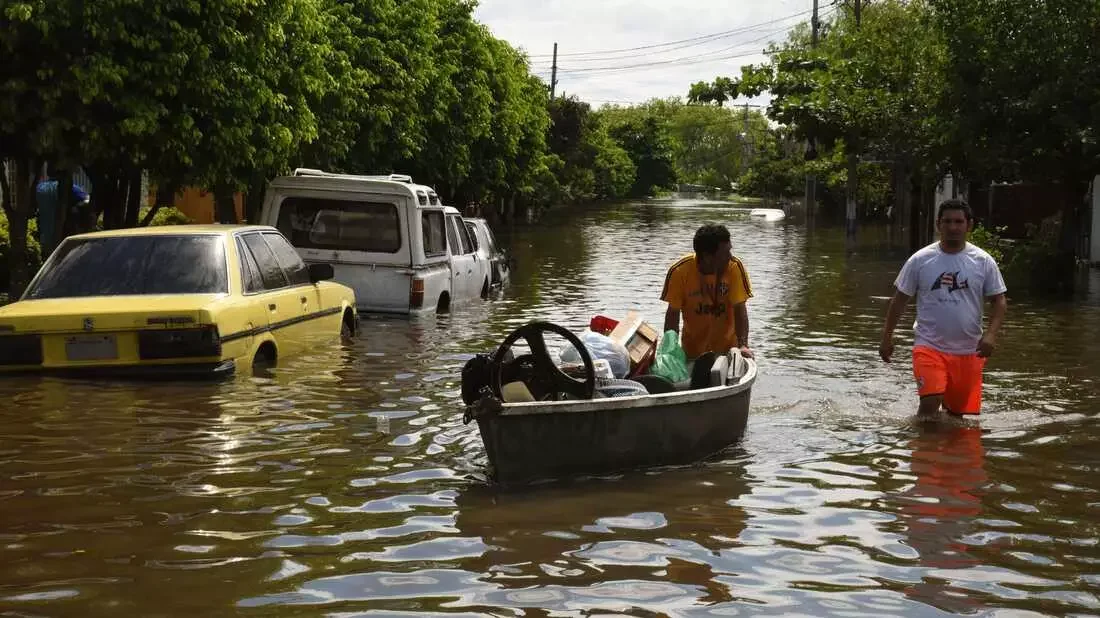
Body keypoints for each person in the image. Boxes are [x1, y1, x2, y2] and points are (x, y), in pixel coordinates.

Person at [879, 199, 1008, 417]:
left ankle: (944, 449)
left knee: (958, 418)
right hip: (928, 345)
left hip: (969, 350)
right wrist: (886, 337)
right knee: (930, 403)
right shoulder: (920, 260)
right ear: (938, 225)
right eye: (947, 222)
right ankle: (922, 447)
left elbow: (1000, 301)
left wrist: (991, 335)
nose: (953, 227)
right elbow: (899, 300)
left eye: (958, 222)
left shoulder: (983, 261)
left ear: (969, 225)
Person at [661, 222, 755, 360]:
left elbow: (740, 309)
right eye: (725, 253)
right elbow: (672, 314)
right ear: (707, 257)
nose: (730, 257)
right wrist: (671, 349)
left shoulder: (734, 267)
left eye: (730, 250)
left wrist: (743, 345)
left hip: (728, 352)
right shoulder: (679, 271)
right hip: (692, 354)